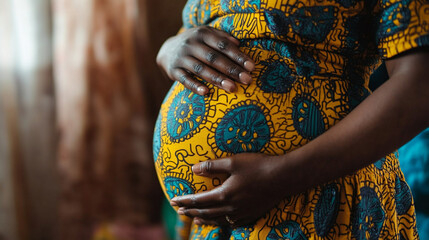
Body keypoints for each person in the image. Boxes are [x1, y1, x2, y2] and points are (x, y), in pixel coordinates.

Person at [154, 0, 429, 239]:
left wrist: (283, 176)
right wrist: (169, 49)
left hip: (321, 198)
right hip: (216, 220)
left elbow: (419, 87)